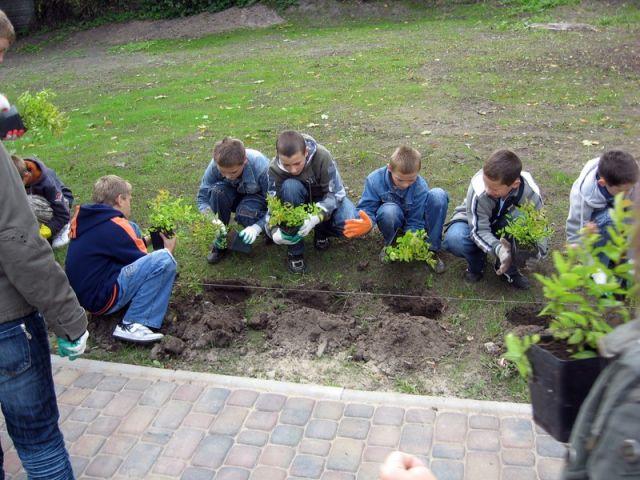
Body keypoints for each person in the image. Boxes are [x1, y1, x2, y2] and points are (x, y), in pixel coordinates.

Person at [0, 9, 89, 479]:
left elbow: (58, 206)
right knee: (39, 444)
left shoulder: (43, 176)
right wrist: (70, 319)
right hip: (6, 325)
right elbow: (18, 244)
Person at [65, 175, 177, 344]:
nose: (130, 204)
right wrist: (168, 249)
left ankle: (131, 311)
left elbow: (119, 249)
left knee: (133, 228)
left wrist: (149, 240)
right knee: (164, 259)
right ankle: (135, 323)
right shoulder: (116, 226)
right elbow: (150, 265)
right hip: (102, 299)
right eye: (129, 199)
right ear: (120, 199)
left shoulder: (92, 220)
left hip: (87, 294)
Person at [443, 149, 546, 290]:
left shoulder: (529, 191)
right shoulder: (479, 189)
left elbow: (538, 224)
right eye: (486, 184)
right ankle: (477, 263)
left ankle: (508, 268)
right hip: (471, 221)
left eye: (494, 189)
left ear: (514, 184)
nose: (487, 190)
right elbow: (478, 230)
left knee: (521, 218)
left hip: (504, 223)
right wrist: (498, 249)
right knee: (454, 239)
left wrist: (538, 252)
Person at [343, 145, 449, 272]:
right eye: (400, 179)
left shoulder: (420, 186)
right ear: (389, 169)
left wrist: (413, 237)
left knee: (438, 195)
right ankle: (391, 244)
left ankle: (431, 250)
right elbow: (367, 208)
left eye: (411, 180)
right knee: (389, 211)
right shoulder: (374, 180)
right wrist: (368, 221)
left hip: (414, 222)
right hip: (392, 220)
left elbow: (415, 219)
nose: (405, 185)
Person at [265, 130, 357, 273]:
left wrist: (317, 216)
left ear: (306, 152)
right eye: (286, 165)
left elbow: (336, 193)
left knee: (350, 220)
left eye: (297, 163)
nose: (293, 169)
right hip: (294, 203)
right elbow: (273, 205)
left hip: (322, 200)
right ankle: (295, 251)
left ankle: (322, 231)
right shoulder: (273, 169)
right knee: (290, 186)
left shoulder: (322, 156)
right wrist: (274, 230)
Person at [196, 137, 270, 264]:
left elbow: (274, 205)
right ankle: (221, 241)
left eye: (233, 172)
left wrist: (257, 227)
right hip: (231, 193)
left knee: (245, 213)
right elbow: (202, 198)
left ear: (244, 161)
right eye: (222, 172)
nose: (228, 176)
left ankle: (269, 231)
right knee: (216, 192)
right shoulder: (216, 164)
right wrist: (212, 219)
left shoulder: (261, 167)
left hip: (256, 197)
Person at [566, 150, 638, 261]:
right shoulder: (585, 194)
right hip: (597, 222)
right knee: (610, 219)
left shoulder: (631, 176)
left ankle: (625, 256)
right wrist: (577, 248)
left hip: (622, 212)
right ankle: (599, 268)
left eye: (630, 188)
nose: (628, 193)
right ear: (602, 183)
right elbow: (576, 224)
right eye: (621, 191)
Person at [11, 154, 74, 248]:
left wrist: (48, 230)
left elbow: (63, 214)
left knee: (26, 202)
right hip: (41, 204)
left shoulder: (47, 183)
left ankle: (63, 229)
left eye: (17, 184)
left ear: (27, 176)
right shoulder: (16, 170)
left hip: (61, 207)